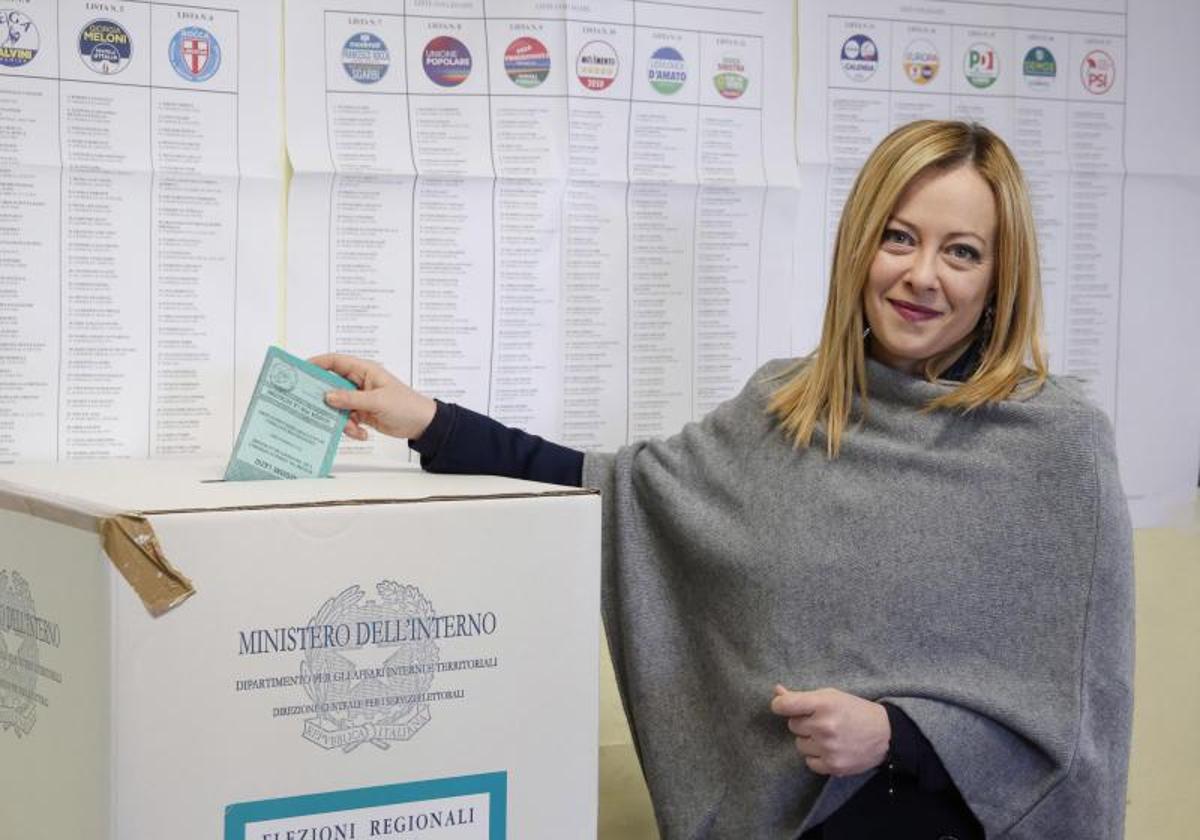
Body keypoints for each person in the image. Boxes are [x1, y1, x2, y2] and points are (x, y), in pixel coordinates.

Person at [313, 120, 1134, 839]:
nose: (923, 275)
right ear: (859, 249)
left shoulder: (1054, 444)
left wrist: (898, 734)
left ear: (999, 278)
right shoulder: (788, 408)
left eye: (961, 252)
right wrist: (426, 417)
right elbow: (615, 493)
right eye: (898, 237)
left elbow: (1072, 723)